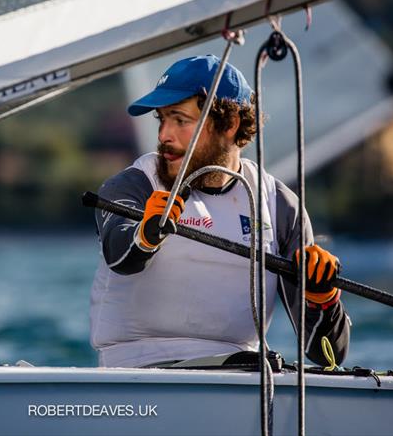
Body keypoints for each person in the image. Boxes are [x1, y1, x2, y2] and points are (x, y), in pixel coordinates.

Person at [90, 54, 350, 368]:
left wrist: (323, 299)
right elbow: (120, 256)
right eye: (162, 120)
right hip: (137, 369)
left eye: (180, 120)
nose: (163, 136)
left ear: (230, 124)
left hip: (238, 376)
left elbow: (328, 356)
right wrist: (146, 234)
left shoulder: (279, 204)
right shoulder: (134, 184)